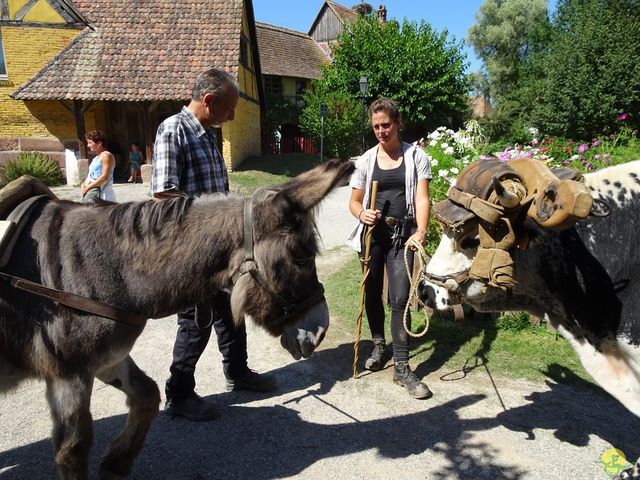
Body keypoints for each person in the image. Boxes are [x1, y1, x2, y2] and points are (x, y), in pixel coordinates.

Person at [151, 68, 277, 422]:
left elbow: (215, 192)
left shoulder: (208, 133)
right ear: (208, 101)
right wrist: (215, 222)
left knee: (232, 311)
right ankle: (178, 395)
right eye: (229, 108)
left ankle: (238, 373)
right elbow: (163, 195)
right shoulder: (172, 130)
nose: (233, 116)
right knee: (195, 320)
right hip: (192, 251)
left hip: (222, 250)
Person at [346, 98, 433, 399]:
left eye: (386, 125)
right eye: (376, 127)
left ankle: (401, 366)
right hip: (373, 235)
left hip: (403, 235)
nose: (381, 131)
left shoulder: (415, 156)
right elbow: (354, 201)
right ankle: (378, 344)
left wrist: (420, 231)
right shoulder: (366, 161)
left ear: (397, 123)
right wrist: (361, 213)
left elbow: (422, 199)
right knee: (371, 291)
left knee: (399, 298)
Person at [81, 129, 116, 202]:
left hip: (103, 194)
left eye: (90, 143)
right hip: (94, 192)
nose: (88, 145)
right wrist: (84, 184)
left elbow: (104, 177)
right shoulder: (96, 158)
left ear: (99, 143)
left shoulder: (106, 155)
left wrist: (88, 187)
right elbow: (90, 176)